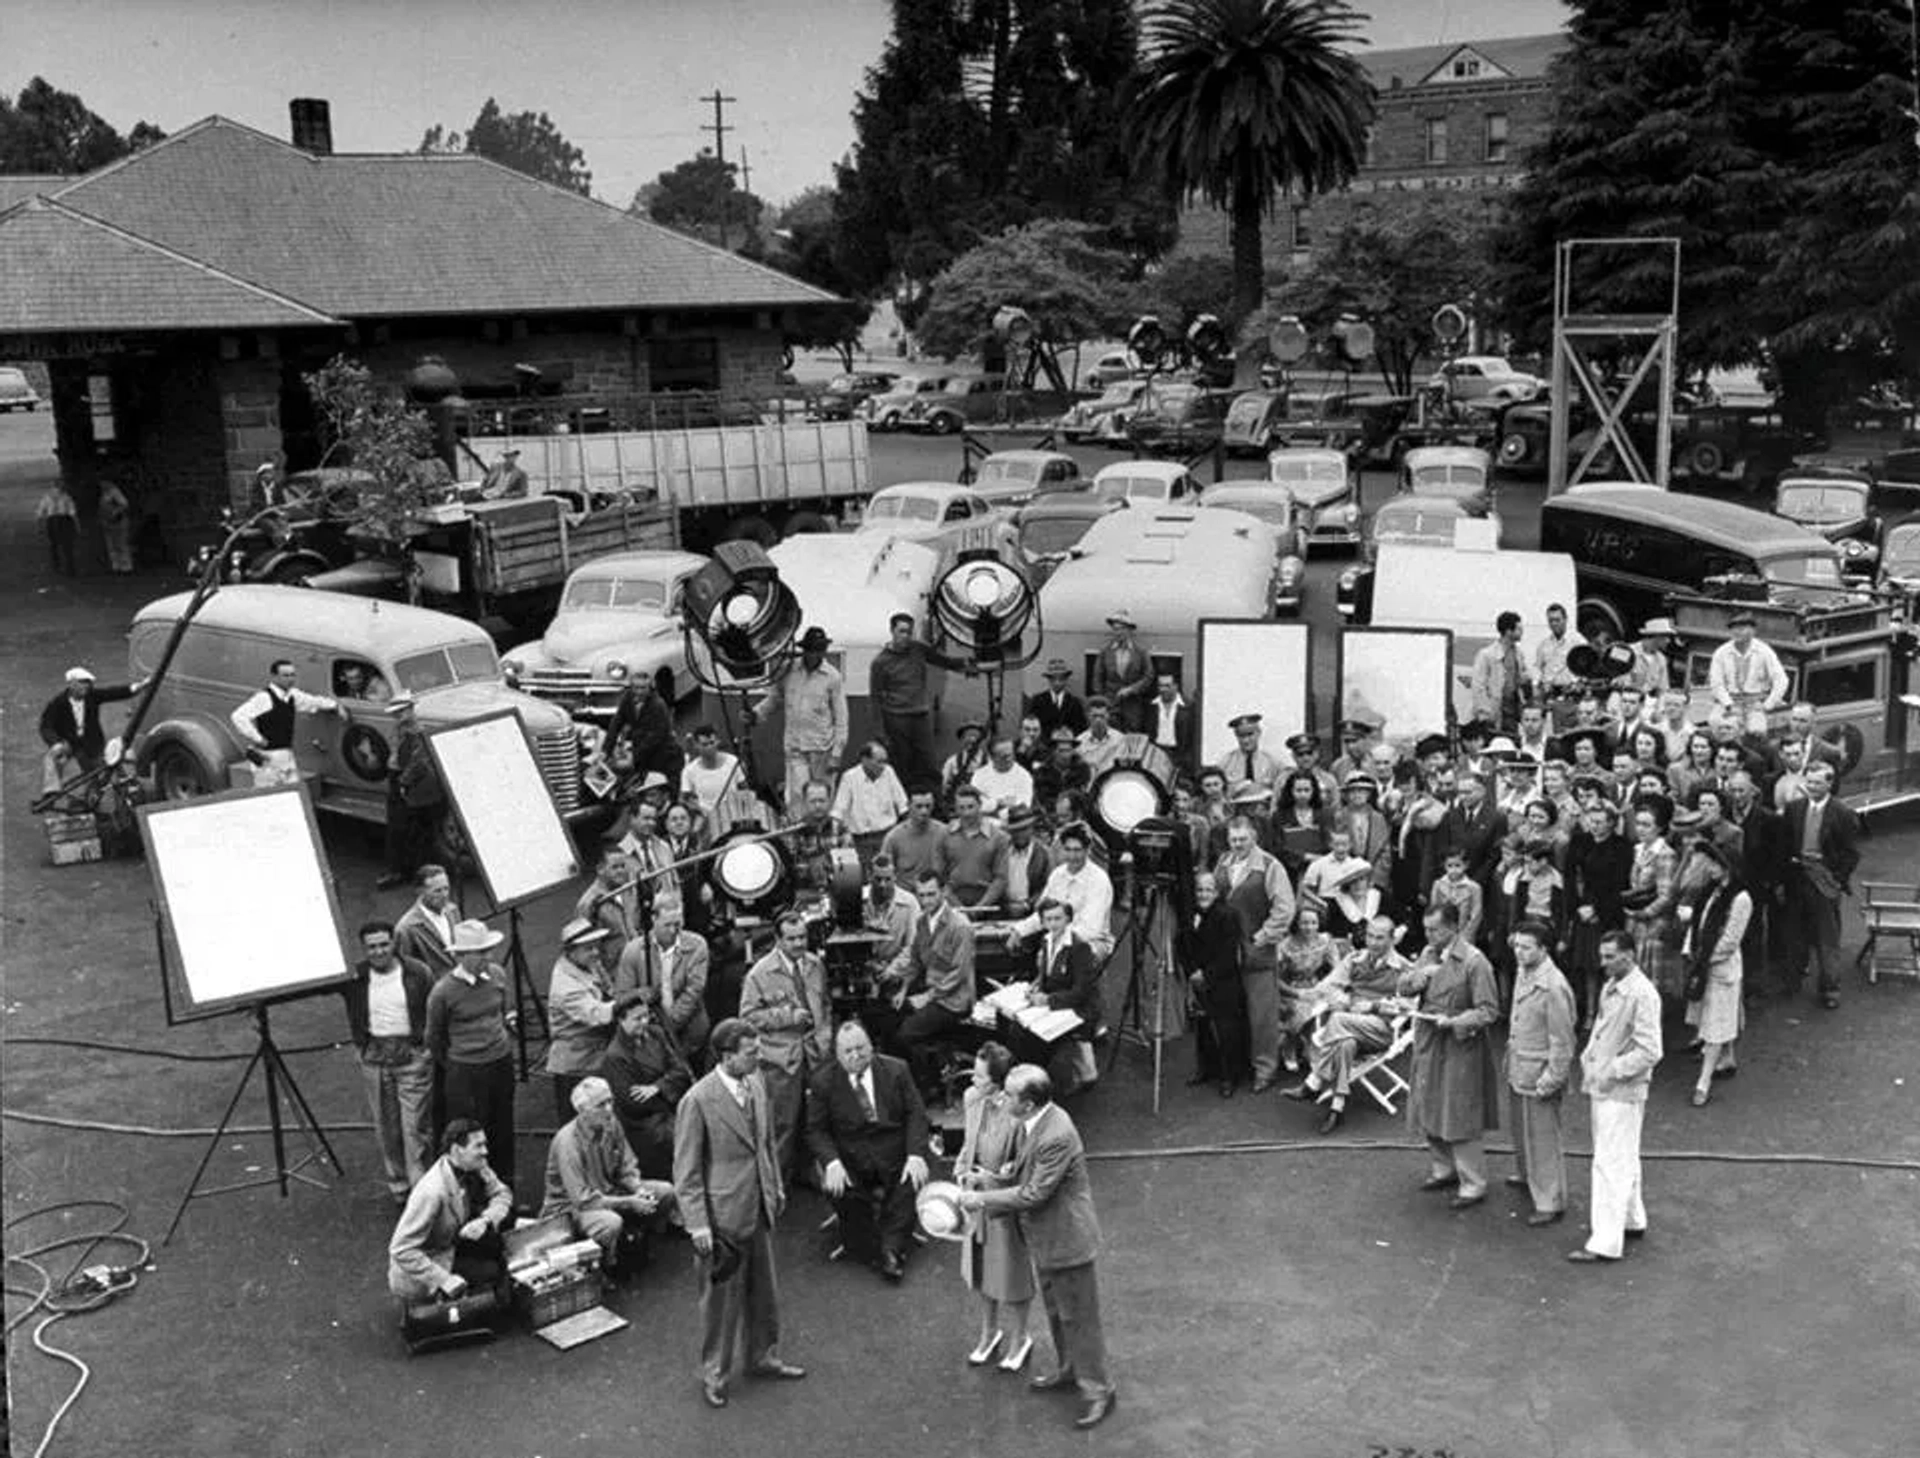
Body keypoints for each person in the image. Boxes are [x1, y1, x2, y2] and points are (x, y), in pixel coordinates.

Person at [957, 1065, 1115, 1431]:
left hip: (1067, 1240)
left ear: (1027, 1103)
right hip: (1047, 1239)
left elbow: (1034, 1193)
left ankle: (1098, 1391)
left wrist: (980, 1199)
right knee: (1059, 1313)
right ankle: (1069, 1370)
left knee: (1081, 1319)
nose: (1003, 1098)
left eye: (1009, 1095)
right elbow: (1023, 1176)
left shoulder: (1055, 1134)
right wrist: (991, 1178)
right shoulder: (1037, 1122)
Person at [672, 1018, 806, 1407]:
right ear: (728, 1056)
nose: (759, 1057)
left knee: (765, 1293)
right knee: (720, 1305)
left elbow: (765, 1143)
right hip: (722, 1219)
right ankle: (714, 1373)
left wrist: (775, 1185)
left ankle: (763, 1356)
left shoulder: (757, 1083)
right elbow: (686, 1172)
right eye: (751, 1052)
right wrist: (697, 1224)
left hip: (759, 1206)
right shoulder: (697, 1101)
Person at [807, 1021, 931, 1282]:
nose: (855, 1056)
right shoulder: (823, 1081)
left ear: (871, 1046)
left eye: (860, 1048)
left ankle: (890, 1249)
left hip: (893, 1150)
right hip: (850, 1154)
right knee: (840, 1188)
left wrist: (916, 1154)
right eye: (847, 1051)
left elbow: (917, 1115)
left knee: (910, 1179)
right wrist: (831, 1162)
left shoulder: (897, 1070)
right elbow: (815, 1130)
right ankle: (877, 1247)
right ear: (837, 1055)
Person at [1398, 901, 1501, 1208]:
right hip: (1429, 1042)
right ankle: (1443, 1169)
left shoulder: (1474, 961)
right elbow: (1403, 988)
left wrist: (1456, 1021)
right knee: (1428, 1104)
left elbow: (1489, 1010)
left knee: (1458, 1112)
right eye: (1426, 928)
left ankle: (1473, 1183)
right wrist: (1418, 979)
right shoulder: (1428, 954)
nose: (1429, 935)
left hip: (1459, 1046)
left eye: (1435, 929)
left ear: (1454, 927)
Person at [1569, 931, 1663, 1263]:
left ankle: (1605, 1242)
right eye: (1603, 955)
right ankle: (1631, 1219)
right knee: (1623, 1156)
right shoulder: (1614, 987)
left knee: (1609, 1162)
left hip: (1620, 1090)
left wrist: (1611, 1068)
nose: (1603, 962)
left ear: (1629, 955)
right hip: (1606, 1086)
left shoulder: (1642, 994)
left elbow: (1650, 1050)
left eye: (1610, 956)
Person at [1282, 915, 1411, 1133]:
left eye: (1380, 938)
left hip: (1380, 1030)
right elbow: (1327, 986)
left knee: (1338, 1019)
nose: (1372, 942)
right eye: (1369, 936)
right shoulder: (1354, 959)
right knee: (1345, 1044)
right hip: (1349, 1027)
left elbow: (1408, 1006)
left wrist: (1374, 1006)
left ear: (1391, 939)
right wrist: (1342, 999)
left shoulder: (1403, 968)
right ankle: (1337, 1108)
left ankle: (1314, 1081)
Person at [954, 1041, 1037, 1369]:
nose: (973, 1081)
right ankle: (989, 1333)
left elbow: (1020, 1171)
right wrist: (961, 1172)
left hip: (1003, 1204)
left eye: (980, 1077)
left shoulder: (1017, 1115)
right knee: (980, 1271)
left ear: (999, 1083)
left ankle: (1020, 1337)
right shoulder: (971, 1099)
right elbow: (967, 1144)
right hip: (975, 1201)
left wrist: (990, 1180)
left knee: (1013, 1275)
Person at [342, 920, 436, 1204]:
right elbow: (311, 986)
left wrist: (430, 1047)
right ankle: (399, 1186)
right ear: (364, 949)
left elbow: (436, 1007)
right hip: (374, 1059)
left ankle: (422, 1191)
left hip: (412, 1057)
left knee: (415, 1126)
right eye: (372, 947)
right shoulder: (355, 977)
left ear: (394, 943)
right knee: (387, 1126)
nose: (379, 951)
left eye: (384, 944)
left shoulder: (418, 972)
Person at [541, 1076, 676, 1275]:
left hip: (608, 1192)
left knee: (665, 1192)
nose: (609, 1109)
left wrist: (638, 1189)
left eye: (610, 1101)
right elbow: (583, 1200)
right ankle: (603, 1268)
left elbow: (626, 1166)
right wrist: (629, 1202)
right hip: (571, 1208)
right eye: (601, 1105)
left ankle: (634, 1242)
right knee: (609, 1223)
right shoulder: (568, 1143)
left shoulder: (611, 1123)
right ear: (583, 1111)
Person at [737, 911, 832, 1181]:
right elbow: (747, 1018)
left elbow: (825, 1004)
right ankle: (775, 1181)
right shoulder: (760, 974)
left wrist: (824, 1036)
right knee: (783, 1123)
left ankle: (808, 1170)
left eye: (802, 937)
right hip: (780, 1061)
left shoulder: (815, 965)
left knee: (813, 1118)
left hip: (814, 1055)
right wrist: (787, 1017)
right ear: (778, 940)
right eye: (791, 939)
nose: (799, 944)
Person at [426, 919, 519, 1189]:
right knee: (470, 1135)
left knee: (502, 1128)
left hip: (500, 1063)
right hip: (466, 1072)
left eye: (488, 951)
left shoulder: (498, 975)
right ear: (460, 956)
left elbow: (503, 1010)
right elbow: (434, 1038)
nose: (487, 958)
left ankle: (506, 1189)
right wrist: (460, 1060)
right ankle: (475, 1193)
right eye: (480, 953)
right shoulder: (443, 992)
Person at [387, 1120, 513, 1303]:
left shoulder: (476, 1164)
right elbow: (401, 1249)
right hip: (429, 1265)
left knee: (503, 1251)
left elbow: (502, 1193)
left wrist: (485, 1220)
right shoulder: (432, 1192)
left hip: (452, 1241)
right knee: (493, 1271)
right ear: (456, 1150)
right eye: (478, 1146)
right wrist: (444, 1280)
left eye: (484, 1144)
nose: (485, 1151)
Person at [1503, 920, 1576, 1227]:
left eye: (1526, 947)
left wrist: (1553, 1078)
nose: (1519, 952)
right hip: (1520, 1064)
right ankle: (1527, 1174)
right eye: (1517, 945)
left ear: (1543, 950)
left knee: (1542, 1138)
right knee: (1522, 1131)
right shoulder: (1525, 971)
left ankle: (1550, 1201)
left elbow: (1562, 1040)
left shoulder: (1554, 986)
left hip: (1539, 1072)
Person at [1215, 814, 1295, 1093]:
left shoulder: (1271, 866)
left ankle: (1265, 1069)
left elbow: (1285, 910)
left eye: (1243, 839)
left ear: (1254, 837)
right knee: (1231, 1011)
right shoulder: (1223, 862)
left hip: (1256, 952)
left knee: (1261, 1015)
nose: (1237, 844)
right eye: (1233, 839)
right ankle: (1235, 1068)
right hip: (1225, 952)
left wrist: (1261, 938)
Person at [1781, 760, 1861, 1010]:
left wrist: (1836, 879)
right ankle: (1792, 981)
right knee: (1794, 933)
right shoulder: (1794, 808)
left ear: (1830, 783)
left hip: (1825, 880)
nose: (1812, 786)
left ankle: (1830, 988)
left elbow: (1850, 853)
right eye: (1809, 781)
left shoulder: (1843, 813)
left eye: (1818, 782)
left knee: (1827, 937)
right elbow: (1785, 844)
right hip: (1797, 877)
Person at [893, 873, 977, 1100]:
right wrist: (903, 989)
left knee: (906, 1035)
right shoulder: (921, 922)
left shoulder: (960, 926)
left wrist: (927, 997)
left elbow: (958, 974)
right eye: (921, 895)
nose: (926, 901)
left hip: (954, 1000)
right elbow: (915, 961)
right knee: (887, 1018)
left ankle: (928, 1085)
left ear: (943, 892)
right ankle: (919, 1076)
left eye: (931, 894)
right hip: (932, 994)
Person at [1680, 844, 1751, 1105]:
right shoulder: (1710, 891)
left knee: (1714, 1026)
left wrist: (1704, 959)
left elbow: (1730, 941)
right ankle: (1728, 1059)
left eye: (1714, 863)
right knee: (1719, 1017)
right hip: (1704, 962)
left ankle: (1704, 1081)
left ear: (1727, 866)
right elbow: (1700, 924)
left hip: (1721, 968)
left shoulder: (1741, 898)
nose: (1709, 868)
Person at [602, 990, 694, 1180]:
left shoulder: (656, 1034)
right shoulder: (615, 1056)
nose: (644, 1022)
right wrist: (669, 1088)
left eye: (646, 1016)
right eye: (638, 1019)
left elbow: (681, 1070)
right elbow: (632, 1104)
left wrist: (657, 1087)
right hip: (644, 1124)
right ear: (621, 1020)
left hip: (668, 1110)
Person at [754, 626, 846, 812]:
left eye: (819, 650)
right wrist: (756, 713)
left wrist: (836, 753)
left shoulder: (832, 677)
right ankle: (797, 833)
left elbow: (841, 718)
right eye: (811, 650)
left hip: (822, 748)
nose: (815, 654)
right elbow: (775, 697)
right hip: (795, 745)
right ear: (805, 650)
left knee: (822, 794)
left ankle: (823, 832)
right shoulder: (789, 670)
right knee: (797, 794)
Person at [618, 893, 712, 1066]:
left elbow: (694, 991)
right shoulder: (633, 951)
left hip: (692, 1034)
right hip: (650, 1037)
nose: (673, 931)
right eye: (667, 925)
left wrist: (669, 1026)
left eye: (678, 924)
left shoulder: (697, 945)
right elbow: (624, 996)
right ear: (653, 919)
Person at [1564, 803, 1632, 1029]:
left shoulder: (1622, 847)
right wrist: (1578, 908)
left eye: (1600, 822)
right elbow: (1570, 877)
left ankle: (1605, 1012)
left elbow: (1620, 883)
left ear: (1612, 823)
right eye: (1591, 821)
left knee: (1605, 965)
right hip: (1582, 911)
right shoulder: (1579, 842)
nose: (1594, 826)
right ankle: (1586, 1011)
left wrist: (1597, 909)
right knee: (1585, 965)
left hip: (1608, 912)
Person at [544, 917, 618, 1119]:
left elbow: (609, 989)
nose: (596, 953)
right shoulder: (565, 985)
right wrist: (627, 1002)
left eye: (596, 946)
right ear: (570, 952)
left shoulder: (588, 964)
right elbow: (597, 1014)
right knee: (578, 1126)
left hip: (594, 1059)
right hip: (575, 1067)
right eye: (588, 948)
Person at [1183, 872, 1249, 1097]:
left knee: (1227, 1030)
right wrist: (1191, 972)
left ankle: (1229, 1077)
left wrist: (1206, 974)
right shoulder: (1190, 914)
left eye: (1208, 890)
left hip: (1224, 981)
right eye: (1200, 890)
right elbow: (1182, 943)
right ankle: (1206, 1069)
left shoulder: (1227, 915)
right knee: (1202, 1027)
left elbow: (1228, 953)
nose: (1203, 894)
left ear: (1217, 892)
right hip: (1198, 980)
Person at [230, 658, 340, 786]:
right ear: (274, 677)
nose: (290, 679)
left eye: (293, 675)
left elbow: (313, 701)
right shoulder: (264, 697)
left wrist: (336, 706)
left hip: (286, 755)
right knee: (269, 796)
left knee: (292, 792)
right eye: (285, 675)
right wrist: (258, 738)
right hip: (267, 756)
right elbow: (238, 716)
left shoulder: (292, 695)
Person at [1014, 823, 1114, 957]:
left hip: (1093, 943)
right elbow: (1042, 914)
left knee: (1065, 958)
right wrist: (1019, 931)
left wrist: (1056, 943)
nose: (1072, 856)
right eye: (1068, 850)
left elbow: (1090, 929)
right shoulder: (1057, 875)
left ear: (1087, 850)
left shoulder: (1099, 880)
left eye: (1077, 850)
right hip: (1057, 937)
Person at [376, 694, 444, 889]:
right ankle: (401, 870)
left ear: (410, 710)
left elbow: (419, 762)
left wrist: (404, 782)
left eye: (401, 712)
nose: (397, 716)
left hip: (413, 785)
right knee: (400, 828)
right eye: (395, 713)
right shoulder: (401, 730)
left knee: (415, 831)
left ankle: (411, 873)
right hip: (401, 779)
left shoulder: (417, 732)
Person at [38, 666, 141, 791]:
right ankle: (51, 790)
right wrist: (55, 743)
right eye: (82, 683)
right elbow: (46, 726)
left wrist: (137, 687)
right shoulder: (58, 703)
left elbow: (113, 693)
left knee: (105, 769)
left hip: (92, 743)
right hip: (70, 744)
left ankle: (122, 790)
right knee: (53, 756)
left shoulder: (92, 696)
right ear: (72, 684)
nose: (86, 686)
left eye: (88, 683)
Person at [869, 612, 937, 792]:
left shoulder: (918, 649)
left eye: (909, 632)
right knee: (902, 766)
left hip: (920, 716)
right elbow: (875, 698)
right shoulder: (880, 662)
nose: (906, 636)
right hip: (897, 719)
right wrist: (879, 731)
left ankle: (935, 805)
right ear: (892, 631)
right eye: (902, 631)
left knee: (929, 764)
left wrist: (967, 664)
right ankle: (904, 807)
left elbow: (943, 660)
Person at [1624, 801, 1681, 1002]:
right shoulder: (1638, 850)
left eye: (1646, 825)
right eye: (1638, 823)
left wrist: (1643, 912)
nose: (1640, 829)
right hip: (1634, 921)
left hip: (1654, 924)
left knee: (1650, 982)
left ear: (1659, 827)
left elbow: (1667, 896)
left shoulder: (1665, 854)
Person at [1707, 610, 1789, 734]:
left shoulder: (1764, 651)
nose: (1737, 632)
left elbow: (1782, 680)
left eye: (1742, 628)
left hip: (1755, 702)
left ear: (1753, 631)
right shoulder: (1721, 652)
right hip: (1729, 700)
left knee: (1757, 730)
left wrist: (1767, 705)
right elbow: (1716, 684)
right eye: (1733, 628)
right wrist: (1729, 704)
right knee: (1715, 721)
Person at [832, 740, 910, 864]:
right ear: (865, 760)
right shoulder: (849, 777)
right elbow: (838, 811)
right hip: (861, 841)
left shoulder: (889, 771)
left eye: (885, 761)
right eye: (879, 761)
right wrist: (836, 837)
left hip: (887, 837)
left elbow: (903, 804)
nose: (883, 765)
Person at [607, 673, 683, 792]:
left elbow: (656, 736)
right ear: (631, 688)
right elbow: (616, 723)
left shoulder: (658, 705)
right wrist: (605, 750)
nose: (639, 692)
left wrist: (634, 756)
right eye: (636, 688)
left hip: (664, 756)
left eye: (643, 688)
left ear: (650, 688)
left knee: (666, 790)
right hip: (643, 754)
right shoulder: (627, 699)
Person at [944, 785, 1009, 910]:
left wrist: (980, 907)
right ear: (956, 809)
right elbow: (940, 876)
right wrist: (957, 906)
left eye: (970, 807)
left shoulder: (998, 837)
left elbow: (1001, 878)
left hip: (989, 904)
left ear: (980, 806)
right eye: (961, 808)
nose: (966, 812)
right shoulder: (945, 835)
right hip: (953, 903)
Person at [1469, 611, 1534, 736]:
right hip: (1494, 711)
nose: (1522, 632)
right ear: (1509, 631)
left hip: (1512, 710)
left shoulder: (1518, 653)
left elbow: (1521, 677)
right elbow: (1478, 686)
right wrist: (1484, 712)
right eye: (1519, 629)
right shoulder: (1487, 654)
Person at [1089, 608, 1154, 732]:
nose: (1118, 633)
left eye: (1121, 629)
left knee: (1132, 738)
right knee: (1111, 736)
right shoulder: (1105, 652)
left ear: (1129, 630)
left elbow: (1149, 675)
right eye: (1115, 629)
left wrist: (1131, 689)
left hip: (1133, 705)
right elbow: (1097, 678)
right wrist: (1102, 702)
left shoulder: (1140, 652)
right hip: (1110, 704)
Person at [395, 864, 461, 976]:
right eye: (437, 891)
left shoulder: (453, 910)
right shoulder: (407, 928)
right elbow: (406, 970)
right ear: (420, 891)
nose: (444, 895)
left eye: (446, 888)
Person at [680, 725, 747, 831]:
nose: (710, 747)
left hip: (734, 815)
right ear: (697, 746)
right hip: (706, 818)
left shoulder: (732, 761)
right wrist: (700, 810)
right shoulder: (689, 771)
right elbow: (683, 800)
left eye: (712, 743)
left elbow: (744, 790)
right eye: (705, 745)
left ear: (718, 742)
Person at [880, 787, 950, 886]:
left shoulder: (945, 833)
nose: (924, 811)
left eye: (928, 806)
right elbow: (884, 874)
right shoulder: (894, 837)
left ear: (933, 806)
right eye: (919, 806)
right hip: (906, 894)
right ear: (909, 806)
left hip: (937, 893)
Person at [1001, 804, 1053, 921]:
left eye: (1024, 829)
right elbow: (995, 880)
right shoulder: (1001, 851)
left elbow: (1047, 886)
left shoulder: (1044, 854)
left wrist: (1027, 905)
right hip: (1004, 911)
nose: (1019, 834)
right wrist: (1005, 904)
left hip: (1032, 913)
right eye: (1016, 830)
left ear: (1032, 828)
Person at [1220, 712, 1282, 798]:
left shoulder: (1273, 762)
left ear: (1259, 733)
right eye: (1241, 736)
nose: (1246, 740)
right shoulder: (1225, 762)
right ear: (1236, 736)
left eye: (1250, 734)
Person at [971, 735, 1035, 817]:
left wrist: (992, 805)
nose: (1009, 759)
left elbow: (1024, 806)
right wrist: (998, 803)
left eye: (1011, 755)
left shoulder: (1024, 776)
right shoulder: (979, 776)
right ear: (992, 757)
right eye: (1004, 756)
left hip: (1013, 824)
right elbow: (974, 805)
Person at [1534, 602, 1586, 700]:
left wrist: (1580, 682)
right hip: (1550, 695)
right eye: (1551, 620)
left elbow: (1588, 668)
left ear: (1565, 620)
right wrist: (1536, 683)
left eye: (1557, 620)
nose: (1554, 624)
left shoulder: (1578, 642)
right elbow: (1537, 667)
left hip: (1572, 694)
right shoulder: (1544, 644)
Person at [1148, 671, 1195, 773]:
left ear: (1175, 686)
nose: (1163, 689)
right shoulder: (1151, 706)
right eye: (1160, 686)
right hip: (1157, 753)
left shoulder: (1188, 706)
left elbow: (1192, 736)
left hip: (1178, 755)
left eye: (1167, 686)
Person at [940, 720, 991, 811]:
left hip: (983, 808)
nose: (972, 739)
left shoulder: (989, 762)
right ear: (962, 739)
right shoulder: (952, 762)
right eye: (968, 736)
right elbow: (942, 786)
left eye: (975, 736)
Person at [35, 482, 78, 575]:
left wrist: (39, 523)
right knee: (66, 545)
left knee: (54, 544)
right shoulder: (66, 497)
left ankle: (57, 565)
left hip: (52, 520)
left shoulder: (48, 497)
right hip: (64, 520)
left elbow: (40, 511)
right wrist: (76, 523)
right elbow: (72, 511)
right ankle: (69, 567)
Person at [97, 480, 134, 573]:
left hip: (118, 521)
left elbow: (124, 504)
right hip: (108, 522)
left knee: (121, 543)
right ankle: (116, 566)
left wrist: (115, 512)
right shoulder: (104, 494)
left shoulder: (114, 492)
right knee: (111, 545)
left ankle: (126, 567)